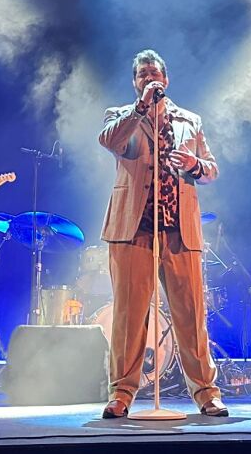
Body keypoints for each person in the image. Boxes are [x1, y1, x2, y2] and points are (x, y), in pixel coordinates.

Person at [97, 49, 227, 418]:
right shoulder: (120, 115)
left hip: (179, 229)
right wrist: (140, 108)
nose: (149, 79)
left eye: (154, 74)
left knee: (191, 315)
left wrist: (195, 164)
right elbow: (110, 141)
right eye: (142, 75)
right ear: (135, 82)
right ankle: (122, 394)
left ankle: (206, 393)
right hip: (133, 228)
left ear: (166, 79)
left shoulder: (190, 120)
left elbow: (212, 169)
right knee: (129, 316)